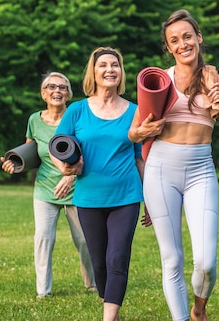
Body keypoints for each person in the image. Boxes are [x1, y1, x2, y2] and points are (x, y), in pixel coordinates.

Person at [129, 9, 219, 321]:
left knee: (206, 261)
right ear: (168, 47)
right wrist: (142, 132)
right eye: (174, 40)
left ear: (199, 38)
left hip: (201, 170)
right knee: (172, 259)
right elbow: (134, 131)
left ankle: (199, 308)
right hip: (161, 170)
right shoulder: (159, 82)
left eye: (187, 37)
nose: (182, 44)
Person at [50, 47, 149, 321]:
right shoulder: (77, 110)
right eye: (103, 65)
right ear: (93, 72)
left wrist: (149, 199)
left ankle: (107, 318)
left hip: (126, 195)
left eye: (115, 65)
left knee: (117, 258)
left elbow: (140, 159)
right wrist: (66, 168)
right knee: (99, 264)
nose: (109, 70)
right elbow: (56, 147)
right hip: (88, 197)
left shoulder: (135, 111)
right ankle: (113, 314)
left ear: (121, 72)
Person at [0, 72, 96, 299]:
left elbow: (90, 152)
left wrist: (70, 176)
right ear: (44, 93)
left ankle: (92, 284)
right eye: (52, 87)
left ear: (69, 94)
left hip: (76, 188)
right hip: (45, 188)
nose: (57, 91)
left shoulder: (77, 117)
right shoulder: (34, 120)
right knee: (43, 238)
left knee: (84, 240)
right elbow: (31, 152)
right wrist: (15, 164)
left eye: (63, 87)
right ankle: (43, 291)